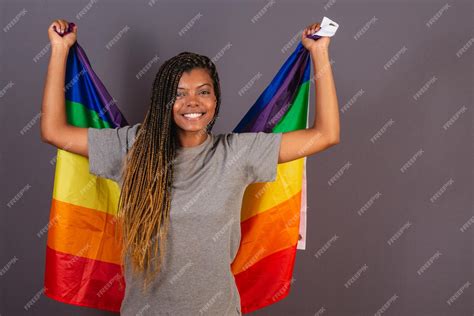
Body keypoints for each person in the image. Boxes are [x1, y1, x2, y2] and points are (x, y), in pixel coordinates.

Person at [40, 19, 340, 316]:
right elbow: (53, 131)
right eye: (179, 93)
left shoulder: (238, 153)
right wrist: (59, 50)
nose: (192, 102)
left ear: (215, 99)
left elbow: (325, 135)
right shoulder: (131, 148)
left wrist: (319, 53)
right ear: (163, 100)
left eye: (203, 92)